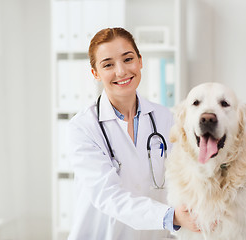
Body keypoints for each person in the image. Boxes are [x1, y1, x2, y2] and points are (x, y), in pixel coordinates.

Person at [67, 27, 198, 240]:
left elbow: (185, 177)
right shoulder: (82, 127)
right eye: (108, 64)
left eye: (128, 59)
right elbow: (107, 196)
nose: (121, 71)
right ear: (96, 74)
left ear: (140, 61)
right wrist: (171, 216)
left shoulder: (165, 118)